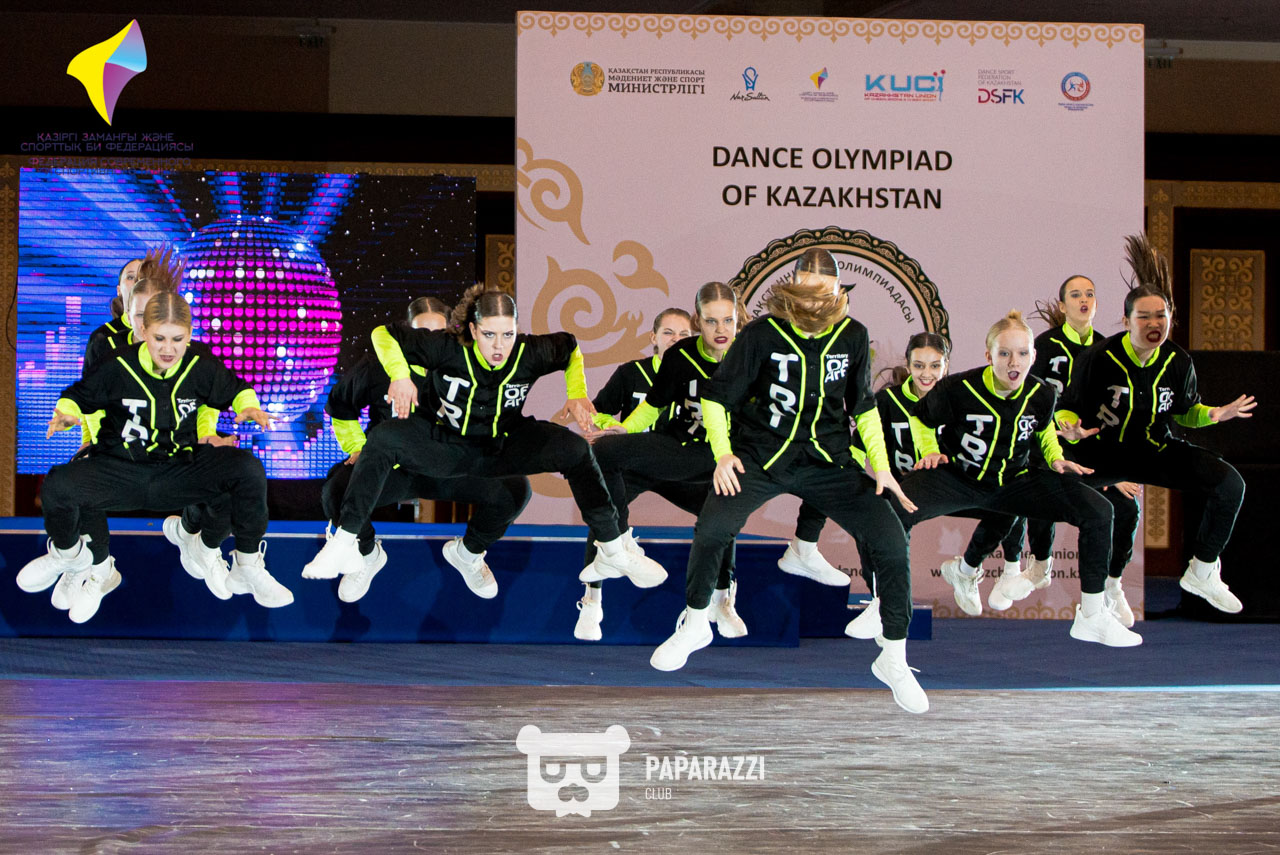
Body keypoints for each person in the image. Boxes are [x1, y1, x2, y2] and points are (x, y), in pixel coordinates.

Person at [648, 249, 928, 714]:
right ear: (793, 287)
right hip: (762, 456)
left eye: (825, 294)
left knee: (891, 540)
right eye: (807, 293)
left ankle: (893, 657)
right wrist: (723, 454)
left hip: (828, 461)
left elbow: (863, 406)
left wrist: (881, 466)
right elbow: (717, 398)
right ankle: (696, 621)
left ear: (838, 292)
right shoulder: (761, 333)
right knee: (714, 527)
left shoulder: (854, 335)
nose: (815, 303)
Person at [301, 286, 667, 593]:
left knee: (567, 454)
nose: (499, 345)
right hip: (428, 454)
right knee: (368, 455)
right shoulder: (431, 352)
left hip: (490, 450)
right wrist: (395, 381)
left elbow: (569, 347)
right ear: (473, 331)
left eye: (507, 334)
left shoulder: (523, 352)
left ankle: (611, 548)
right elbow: (372, 355)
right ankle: (353, 547)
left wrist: (577, 393)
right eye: (490, 334)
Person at [16, 292, 289, 622]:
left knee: (247, 470)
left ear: (189, 335)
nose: (168, 348)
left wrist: (249, 406)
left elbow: (236, 389)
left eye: (177, 339)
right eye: (160, 338)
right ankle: (70, 556)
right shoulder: (118, 364)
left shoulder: (199, 364)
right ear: (144, 331)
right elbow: (79, 396)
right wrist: (65, 413)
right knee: (58, 485)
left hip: (178, 470)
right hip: (121, 470)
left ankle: (245, 564)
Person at [895, 310, 1140, 648]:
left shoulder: (1041, 394)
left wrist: (1056, 458)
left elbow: (1044, 430)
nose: (1014, 361)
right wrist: (930, 450)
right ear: (989, 356)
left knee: (1099, 510)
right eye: (1005, 353)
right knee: (893, 508)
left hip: (1012, 483)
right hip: (958, 477)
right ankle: (885, 604)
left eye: (1022, 353)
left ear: (1033, 356)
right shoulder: (959, 387)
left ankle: (1092, 615)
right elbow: (921, 418)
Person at [1056, 234, 1255, 616]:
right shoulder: (1098, 358)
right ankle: (1037, 571)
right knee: (1040, 492)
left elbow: (1185, 412)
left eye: (1160, 316)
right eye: (1144, 316)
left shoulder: (1178, 362)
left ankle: (1202, 570)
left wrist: (1213, 414)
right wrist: (1071, 429)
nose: (1154, 323)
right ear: (1126, 320)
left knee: (1230, 484)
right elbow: (1067, 408)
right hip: (1101, 453)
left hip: (1155, 450)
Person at [320, 296, 532, 602]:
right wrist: (358, 447)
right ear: (406, 332)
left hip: (450, 467)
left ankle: (468, 554)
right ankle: (366, 554)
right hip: (394, 470)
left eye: (438, 333)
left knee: (515, 488)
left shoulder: (469, 364)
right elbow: (340, 406)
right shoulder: (378, 365)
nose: (428, 341)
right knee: (335, 492)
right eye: (420, 332)